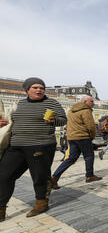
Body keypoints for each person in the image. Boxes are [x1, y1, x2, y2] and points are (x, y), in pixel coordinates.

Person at [0, 78, 67, 222]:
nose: (39, 90)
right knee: (4, 175)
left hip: (41, 145)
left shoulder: (51, 103)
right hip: (16, 146)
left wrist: (54, 120)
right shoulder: (19, 103)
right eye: (35, 87)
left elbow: (63, 119)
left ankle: (41, 202)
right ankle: (1, 208)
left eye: (42, 88)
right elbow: (11, 120)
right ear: (27, 90)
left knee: (40, 176)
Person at [51, 96, 102, 188]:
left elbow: (68, 124)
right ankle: (89, 176)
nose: (93, 103)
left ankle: (54, 177)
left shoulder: (71, 111)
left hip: (72, 138)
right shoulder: (86, 110)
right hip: (83, 136)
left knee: (71, 158)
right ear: (85, 101)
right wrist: (92, 136)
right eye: (91, 101)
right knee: (89, 155)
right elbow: (91, 126)